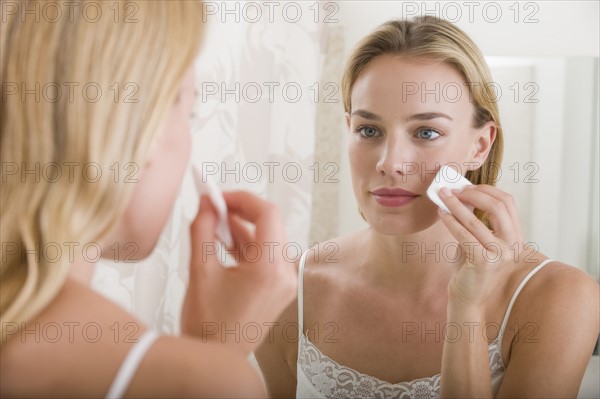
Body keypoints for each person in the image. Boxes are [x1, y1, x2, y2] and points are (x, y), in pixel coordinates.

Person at [256, 16, 600, 398]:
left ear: (479, 146)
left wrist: (466, 308)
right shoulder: (285, 291)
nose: (391, 162)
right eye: (369, 130)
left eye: (426, 132)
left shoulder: (559, 298)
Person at [0, 1, 296, 397]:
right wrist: (213, 364)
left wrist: (207, 358)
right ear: (142, 128)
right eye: (188, 114)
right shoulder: (203, 383)